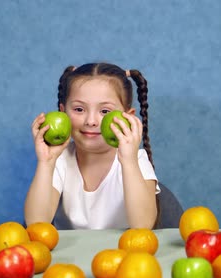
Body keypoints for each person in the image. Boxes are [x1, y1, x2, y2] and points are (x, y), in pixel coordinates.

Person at [24, 63, 160, 230]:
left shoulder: (136, 160)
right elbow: (36, 224)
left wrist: (128, 161)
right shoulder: (60, 159)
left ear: (128, 117)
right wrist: (46, 163)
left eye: (105, 112)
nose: (91, 121)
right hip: (70, 256)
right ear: (63, 112)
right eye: (79, 109)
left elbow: (143, 225)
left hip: (123, 253)